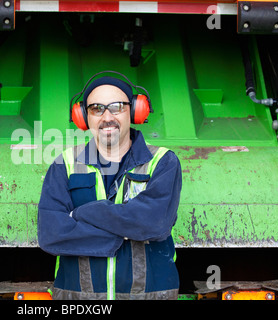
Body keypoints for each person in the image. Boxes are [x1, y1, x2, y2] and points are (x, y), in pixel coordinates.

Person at [37, 72, 182, 300]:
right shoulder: (64, 164)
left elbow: (155, 223)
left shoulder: (163, 161)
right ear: (84, 118)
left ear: (134, 111)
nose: (107, 117)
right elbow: (51, 234)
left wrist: (82, 214)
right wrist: (125, 234)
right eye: (96, 108)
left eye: (116, 107)